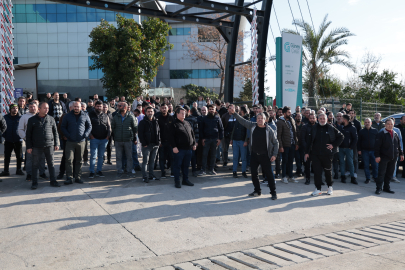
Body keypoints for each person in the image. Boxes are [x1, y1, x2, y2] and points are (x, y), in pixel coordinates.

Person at [229, 106, 279, 200]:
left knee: (269, 175)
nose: (260, 120)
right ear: (256, 119)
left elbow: (276, 143)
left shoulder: (269, 130)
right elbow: (242, 121)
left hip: (265, 156)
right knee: (254, 174)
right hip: (254, 155)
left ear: (265, 120)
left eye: (262, 118)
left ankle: (273, 193)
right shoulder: (252, 126)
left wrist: (274, 155)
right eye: (258, 118)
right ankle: (257, 191)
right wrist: (234, 113)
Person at [305, 113, 344, 196]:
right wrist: (307, 153)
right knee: (317, 172)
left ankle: (330, 187)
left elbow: (341, 136)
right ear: (318, 119)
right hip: (315, 154)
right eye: (321, 118)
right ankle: (318, 189)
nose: (322, 120)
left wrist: (333, 145)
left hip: (327, 154)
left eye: (324, 118)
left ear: (327, 119)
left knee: (328, 171)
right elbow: (309, 141)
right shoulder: (314, 128)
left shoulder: (331, 128)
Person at [26, 102, 60, 189]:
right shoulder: (32, 120)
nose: (47, 110)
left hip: (49, 145)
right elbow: (28, 135)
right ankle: (34, 182)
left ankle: (53, 181)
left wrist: (57, 143)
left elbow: (55, 132)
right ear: (39, 109)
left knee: (51, 164)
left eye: (48, 108)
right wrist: (29, 147)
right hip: (36, 146)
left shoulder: (51, 119)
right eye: (45, 108)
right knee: (35, 165)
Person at [61, 101, 92, 185]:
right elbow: (63, 127)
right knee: (69, 160)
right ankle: (69, 177)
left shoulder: (85, 115)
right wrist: (68, 135)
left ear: (81, 107)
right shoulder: (67, 116)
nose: (76, 108)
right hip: (70, 142)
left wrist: (85, 135)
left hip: (81, 142)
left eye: (78, 106)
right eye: (75, 106)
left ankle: (78, 177)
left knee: (79, 160)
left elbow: (89, 126)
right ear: (72, 107)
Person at [18, 102, 47, 181]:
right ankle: (29, 174)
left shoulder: (42, 116)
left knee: (42, 158)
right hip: (30, 142)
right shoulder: (24, 117)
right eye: (31, 107)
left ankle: (42, 173)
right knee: (30, 158)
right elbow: (20, 129)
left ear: (37, 107)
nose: (32, 108)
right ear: (28, 108)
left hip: (41, 142)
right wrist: (26, 138)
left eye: (34, 107)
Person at [169, 107, 196, 188]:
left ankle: (185, 180)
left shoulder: (187, 123)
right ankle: (177, 181)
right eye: (182, 113)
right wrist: (174, 146)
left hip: (189, 149)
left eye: (184, 113)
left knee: (186, 165)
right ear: (177, 114)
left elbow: (192, 134)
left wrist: (194, 143)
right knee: (177, 165)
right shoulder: (174, 124)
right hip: (179, 149)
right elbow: (171, 137)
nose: (183, 114)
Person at [375, 118, 404, 195]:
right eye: (388, 124)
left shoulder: (395, 133)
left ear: (393, 124)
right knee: (381, 173)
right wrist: (377, 156)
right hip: (383, 157)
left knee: (389, 174)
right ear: (385, 125)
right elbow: (377, 146)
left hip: (394, 157)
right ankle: (378, 188)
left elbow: (399, 145)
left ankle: (386, 188)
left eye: (391, 124)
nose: (390, 125)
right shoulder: (381, 134)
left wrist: (401, 154)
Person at [111, 102, 138, 177]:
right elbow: (113, 127)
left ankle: (129, 171)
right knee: (118, 157)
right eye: (118, 106)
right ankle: (119, 171)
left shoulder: (131, 116)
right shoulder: (116, 116)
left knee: (129, 157)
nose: (118, 107)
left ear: (125, 107)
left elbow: (135, 128)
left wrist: (133, 137)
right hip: (118, 140)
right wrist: (115, 136)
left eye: (120, 106)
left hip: (128, 140)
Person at [88, 100, 111, 178]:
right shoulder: (90, 115)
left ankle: (99, 171)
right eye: (97, 106)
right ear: (94, 106)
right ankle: (91, 172)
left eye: (100, 106)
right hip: (94, 139)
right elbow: (87, 126)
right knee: (93, 156)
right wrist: (91, 135)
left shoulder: (105, 115)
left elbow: (109, 127)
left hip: (104, 140)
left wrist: (108, 136)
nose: (99, 107)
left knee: (101, 156)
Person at [198, 104, 224, 176]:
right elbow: (201, 130)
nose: (211, 110)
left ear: (215, 110)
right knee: (204, 155)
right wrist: (202, 139)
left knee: (213, 155)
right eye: (210, 109)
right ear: (208, 110)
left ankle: (211, 169)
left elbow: (221, 129)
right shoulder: (204, 119)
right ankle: (203, 169)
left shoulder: (217, 118)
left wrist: (220, 139)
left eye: (212, 109)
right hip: (206, 140)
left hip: (215, 140)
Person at [277, 106, 299, 184]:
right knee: (284, 161)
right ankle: (283, 177)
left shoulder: (292, 120)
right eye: (288, 112)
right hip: (285, 145)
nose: (290, 114)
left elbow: (295, 133)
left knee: (291, 161)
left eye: (290, 112)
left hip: (292, 144)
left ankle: (291, 176)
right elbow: (278, 135)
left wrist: (296, 143)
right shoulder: (280, 122)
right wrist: (281, 146)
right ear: (284, 113)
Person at [138, 106, 160, 182]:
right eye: (148, 111)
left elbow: (158, 132)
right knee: (145, 162)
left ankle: (151, 175)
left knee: (152, 161)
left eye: (151, 111)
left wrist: (159, 142)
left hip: (155, 145)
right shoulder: (142, 122)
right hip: (146, 145)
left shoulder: (156, 121)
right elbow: (140, 134)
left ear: (153, 112)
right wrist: (144, 143)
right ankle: (144, 177)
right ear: (145, 112)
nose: (150, 113)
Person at [1, 104, 23, 176]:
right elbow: (2, 127)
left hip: (18, 140)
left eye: (16, 108)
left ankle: (19, 170)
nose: (15, 109)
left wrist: (21, 136)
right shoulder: (5, 117)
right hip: (8, 140)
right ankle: (6, 171)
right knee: (7, 157)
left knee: (19, 157)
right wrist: (5, 136)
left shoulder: (20, 118)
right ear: (10, 110)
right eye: (13, 108)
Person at [337, 115, 358, 184]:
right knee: (342, 162)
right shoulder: (340, 127)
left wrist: (351, 147)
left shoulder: (352, 128)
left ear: (345, 120)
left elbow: (355, 138)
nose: (340, 119)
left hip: (349, 148)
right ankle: (343, 176)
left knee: (350, 163)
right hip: (340, 148)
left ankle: (352, 178)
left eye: (342, 118)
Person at [358, 118, 378, 184]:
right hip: (364, 151)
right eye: (365, 122)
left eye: (368, 122)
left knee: (375, 165)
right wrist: (359, 150)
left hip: (374, 151)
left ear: (371, 123)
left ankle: (375, 177)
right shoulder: (361, 131)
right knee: (366, 165)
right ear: (364, 123)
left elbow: (378, 141)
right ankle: (368, 178)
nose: (367, 123)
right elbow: (359, 142)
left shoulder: (375, 131)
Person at [230, 106, 249, 178]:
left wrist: (246, 141)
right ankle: (234, 171)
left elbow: (247, 131)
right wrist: (231, 139)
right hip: (235, 140)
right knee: (235, 157)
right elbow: (234, 129)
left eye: (240, 110)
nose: (238, 111)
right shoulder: (237, 119)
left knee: (244, 158)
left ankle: (243, 172)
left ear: (242, 111)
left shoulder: (247, 119)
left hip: (242, 141)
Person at [156, 103, 174, 178]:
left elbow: (174, 131)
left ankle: (172, 172)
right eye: (162, 108)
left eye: (165, 108)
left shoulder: (172, 118)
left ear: (168, 109)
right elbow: (156, 131)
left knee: (172, 158)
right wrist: (159, 141)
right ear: (160, 109)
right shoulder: (157, 118)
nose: (164, 109)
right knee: (162, 158)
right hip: (161, 142)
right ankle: (163, 172)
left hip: (170, 142)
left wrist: (173, 142)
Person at [300, 113, 316, 185]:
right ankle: (307, 179)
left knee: (318, 166)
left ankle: (319, 179)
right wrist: (307, 149)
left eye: (313, 118)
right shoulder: (304, 127)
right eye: (310, 118)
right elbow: (302, 139)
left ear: (316, 118)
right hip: (307, 150)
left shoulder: (318, 126)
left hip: (317, 150)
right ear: (308, 119)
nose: (312, 119)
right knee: (307, 165)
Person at [184, 105, 199, 177]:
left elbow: (196, 131)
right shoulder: (181, 119)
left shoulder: (193, 119)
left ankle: (194, 170)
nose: (183, 113)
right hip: (183, 142)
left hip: (192, 142)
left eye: (185, 111)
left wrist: (196, 141)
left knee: (193, 157)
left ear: (188, 111)